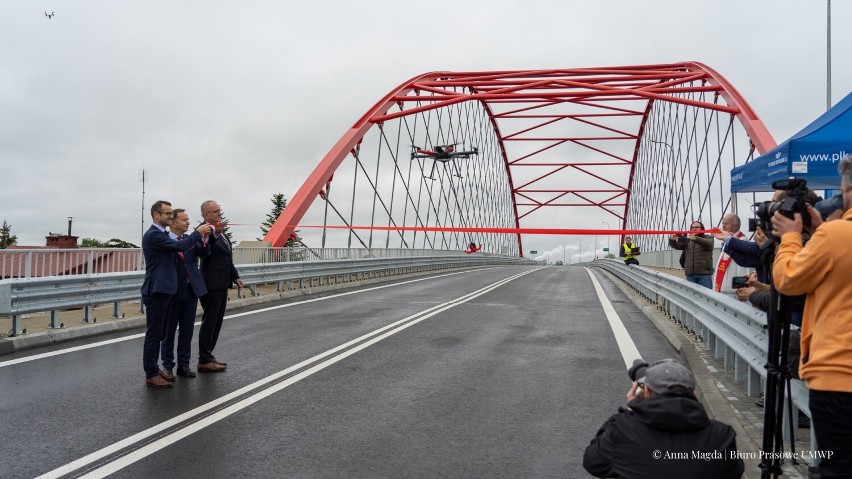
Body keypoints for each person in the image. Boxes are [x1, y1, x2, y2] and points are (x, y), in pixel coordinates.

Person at [771, 155, 852, 478]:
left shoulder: (836, 237)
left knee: (838, 469)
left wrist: (791, 237)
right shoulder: (833, 235)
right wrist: (820, 229)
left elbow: (789, 279)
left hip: (840, 374)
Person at [583, 358, 744, 478]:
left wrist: (632, 410)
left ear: (645, 392)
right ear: (694, 394)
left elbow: (592, 462)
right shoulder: (722, 436)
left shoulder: (623, 430)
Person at [141, 201, 210, 388]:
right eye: (167, 214)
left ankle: (156, 371)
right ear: (156, 215)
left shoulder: (162, 234)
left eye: (172, 214)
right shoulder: (154, 235)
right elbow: (180, 247)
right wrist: (198, 232)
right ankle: (151, 373)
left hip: (166, 290)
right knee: (155, 334)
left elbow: (187, 248)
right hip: (157, 290)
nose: (170, 217)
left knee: (160, 332)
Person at [160, 209, 210, 379]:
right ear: (173, 223)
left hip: (190, 290)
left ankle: (184, 365)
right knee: (169, 331)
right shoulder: (165, 240)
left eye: (188, 220)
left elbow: (204, 253)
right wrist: (197, 234)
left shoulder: (190, 239)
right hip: (172, 292)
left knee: (187, 331)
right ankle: (167, 366)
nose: (188, 223)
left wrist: (206, 238)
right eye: (184, 220)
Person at [197, 200, 243, 373]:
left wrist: (235, 276)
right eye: (216, 211)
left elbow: (226, 257)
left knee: (217, 321)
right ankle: (204, 359)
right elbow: (204, 251)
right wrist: (214, 235)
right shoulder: (205, 230)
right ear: (206, 214)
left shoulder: (219, 230)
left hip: (222, 282)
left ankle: (208, 356)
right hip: (211, 283)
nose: (219, 213)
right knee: (210, 321)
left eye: (219, 210)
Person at [669, 221, 715, 288]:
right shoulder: (688, 240)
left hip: (704, 274)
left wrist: (696, 239)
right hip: (690, 274)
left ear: (702, 228)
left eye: (697, 227)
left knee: (707, 297)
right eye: (692, 227)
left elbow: (709, 244)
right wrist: (672, 240)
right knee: (692, 297)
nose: (694, 229)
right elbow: (677, 246)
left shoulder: (707, 238)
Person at [710, 214, 744, 291]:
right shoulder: (728, 241)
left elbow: (743, 269)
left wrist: (742, 288)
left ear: (735, 226)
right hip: (723, 287)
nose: (723, 226)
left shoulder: (742, 241)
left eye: (726, 223)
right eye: (723, 223)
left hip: (733, 290)